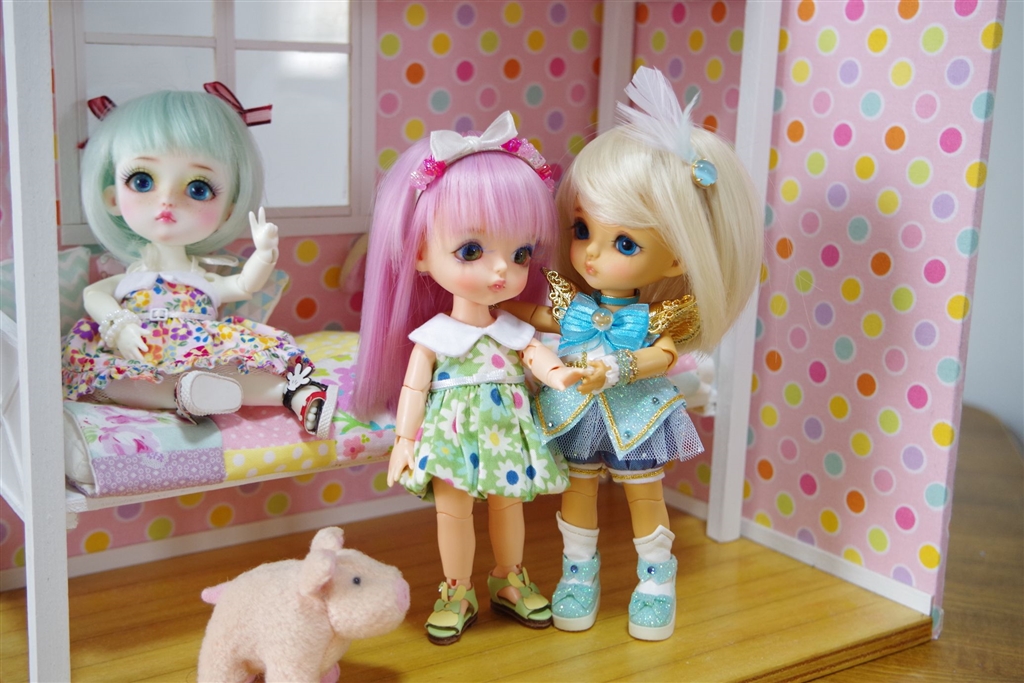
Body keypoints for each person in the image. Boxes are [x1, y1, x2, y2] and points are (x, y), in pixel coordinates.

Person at [503, 67, 765, 640]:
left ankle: (655, 578)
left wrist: (620, 365)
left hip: (635, 409)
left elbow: (664, 355)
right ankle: (579, 572)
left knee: (644, 493)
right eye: (581, 230)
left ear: (676, 257)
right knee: (578, 488)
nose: (591, 256)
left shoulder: (651, 318)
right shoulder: (577, 304)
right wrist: (495, 306)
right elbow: (541, 316)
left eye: (624, 242)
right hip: (578, 408)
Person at [352, 112, 583, 645]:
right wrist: (403, 440)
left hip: (506, 434)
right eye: (472, 251)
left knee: (508, 507)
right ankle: (457, 591)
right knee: (452, 512)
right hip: (452, 437)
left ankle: (509, 578)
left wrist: (562, 376)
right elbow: (414, 388)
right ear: (419, 253)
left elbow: (537, 358)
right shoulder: (435, 337)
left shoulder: (511, 328)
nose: (501, 271)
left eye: (520, 254)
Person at [61, 88, 336, 437]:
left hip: (199, 345)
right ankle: (189, 393)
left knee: (237, 370)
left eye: (198, 189)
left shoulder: (201, 278)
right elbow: (94, 295)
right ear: (112, 198)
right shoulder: (128, 278)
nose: (167, 200)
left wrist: (264, 254)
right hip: (139, 344)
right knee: (111, 381)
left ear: (227, 212)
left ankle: (297, 394)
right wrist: (122, 326)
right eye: (142, 181)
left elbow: (242, 286)